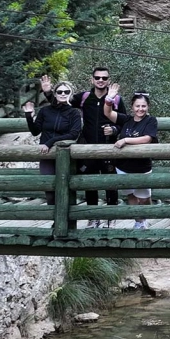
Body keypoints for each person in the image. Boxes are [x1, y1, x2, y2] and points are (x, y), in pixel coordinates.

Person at [68, 65, 120, 224]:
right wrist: (48, 92)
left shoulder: (116, 99)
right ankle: (93, 217)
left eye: (104, 78)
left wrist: (114, 130)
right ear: (92, 79)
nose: (101, 80)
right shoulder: (84, 97)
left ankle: (111, 218)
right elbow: (61, 102)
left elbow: (125, 122)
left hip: (109, 149)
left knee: (110, 183)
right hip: (88, 148)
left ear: (108, 80)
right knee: (89, 183)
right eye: (97, 78)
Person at [104, 92, 159, 230]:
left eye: (143, 106)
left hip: (142, 167)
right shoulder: (126, 120)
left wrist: (126, 140)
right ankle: (139, 221)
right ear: (132, 107)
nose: (140, 109)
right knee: (131, 195)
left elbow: (147, 138)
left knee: (144, 197)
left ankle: (147, 215)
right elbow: (108, 113)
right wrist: (109, 99)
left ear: (148, 107)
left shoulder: (151, 121)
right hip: (123, 166)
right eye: (137, 106)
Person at [22, 81, 82, 205]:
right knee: (49, 188)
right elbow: (35, 131)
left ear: (71, 94)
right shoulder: (45, 111)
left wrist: (50, 142)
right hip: (46, 155)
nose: (63, 94)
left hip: (66, 155)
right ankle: (56, 221)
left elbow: (73, 134)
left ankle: (67, 222)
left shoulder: (74, 113)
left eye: (66, 92)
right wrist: (28, 116)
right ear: (55, 94)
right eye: (60, 92)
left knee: (66, 188)